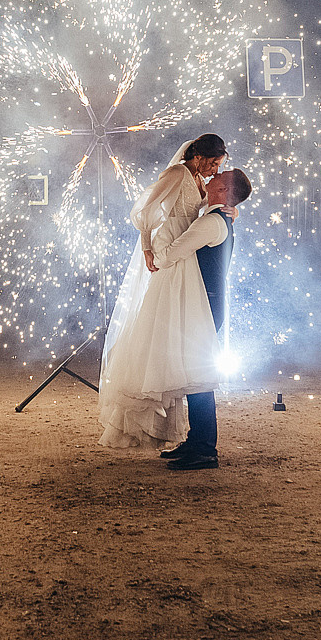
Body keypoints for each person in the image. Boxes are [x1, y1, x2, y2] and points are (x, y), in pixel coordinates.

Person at [96, 135, 229, 449]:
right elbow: (144, 211)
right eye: (213, 163)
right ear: (200, 156)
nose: (214, 170)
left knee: (179, 344)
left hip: (184, 255)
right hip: (170, 251)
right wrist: (147, 247)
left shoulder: (197, 180)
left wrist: (225, 210)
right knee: (162, 335)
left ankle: (187, 435)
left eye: (219, 165)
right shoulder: (176, 175)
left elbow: (204, 216)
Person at [150, 166, 250, 470]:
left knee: (198, 376)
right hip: (206, 305)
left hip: (204, 307)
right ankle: (197, 441)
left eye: (221, 175)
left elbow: (169, 255)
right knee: (194, 374)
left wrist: (152, 244)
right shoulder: (218, 218)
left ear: (225, 191)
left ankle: (206, 449)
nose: (213, 175)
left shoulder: (211, 224)